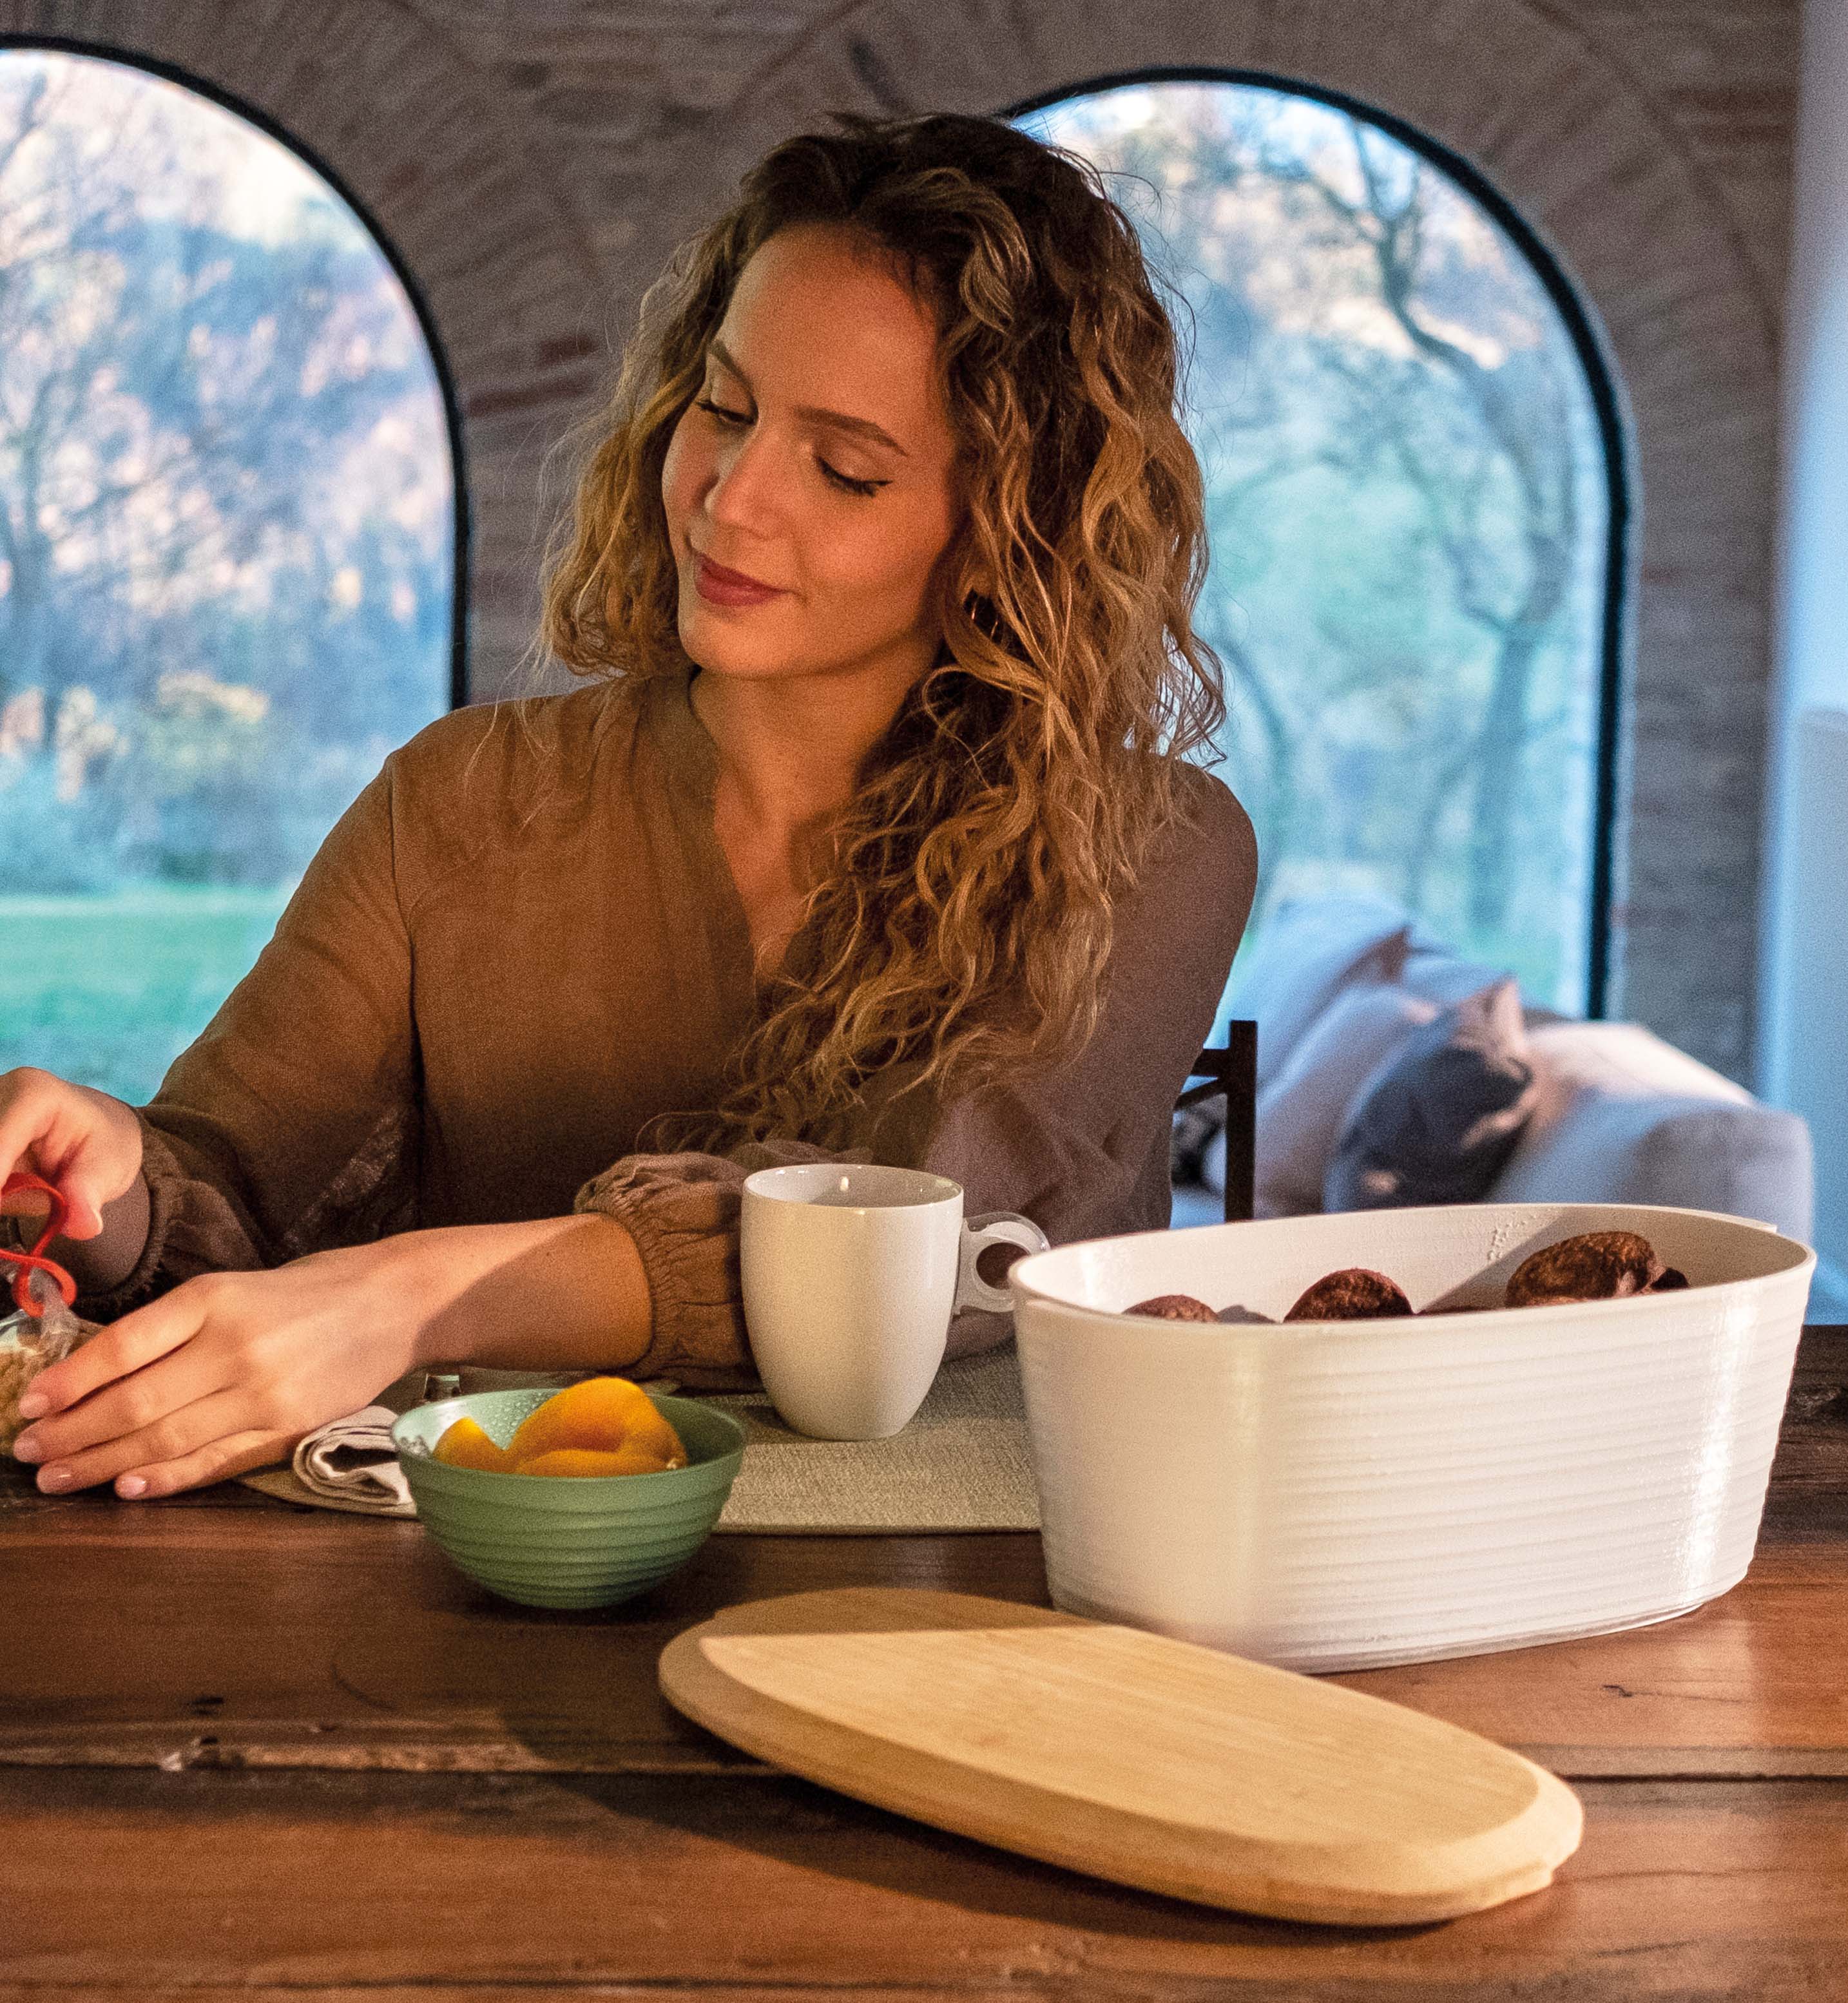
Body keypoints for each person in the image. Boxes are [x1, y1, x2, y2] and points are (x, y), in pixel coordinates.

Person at [0, 111, 1256, 1500]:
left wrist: (412, 1299)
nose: (730, 496)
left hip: (961, 1617)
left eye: (843, 468)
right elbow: (224, 1208)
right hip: (481, 1604)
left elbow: (910, 1253)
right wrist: (101, 1173)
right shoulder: (461, 799)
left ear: (1006, 529)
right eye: (724, 407)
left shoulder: (1148, 852)